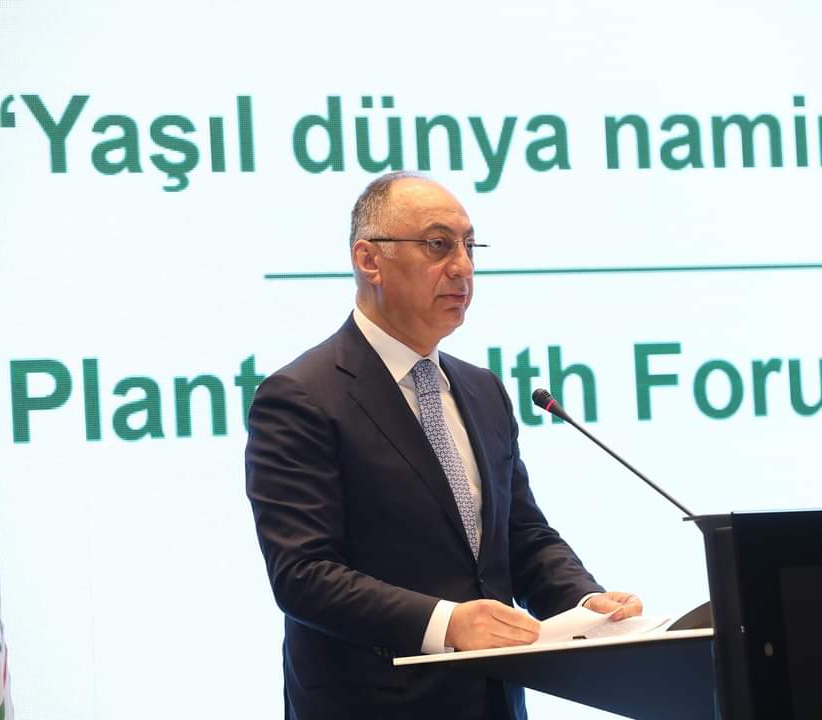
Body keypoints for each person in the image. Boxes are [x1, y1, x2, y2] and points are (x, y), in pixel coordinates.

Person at [245, 171, 642, 719]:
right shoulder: (302, 396)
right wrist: (447, 623)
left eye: (469, 246)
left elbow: (521, 537)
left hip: (493, 702)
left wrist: (584, 600)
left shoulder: (482, 390)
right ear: (369, 259)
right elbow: (304, 575)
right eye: (438, 244)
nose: (462, 267)